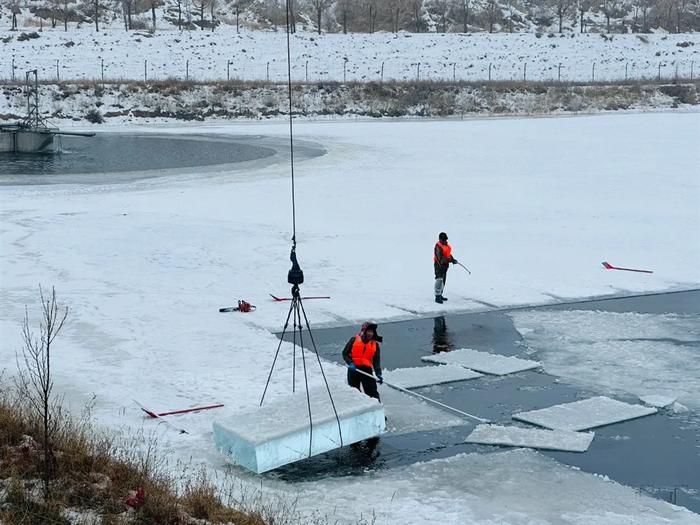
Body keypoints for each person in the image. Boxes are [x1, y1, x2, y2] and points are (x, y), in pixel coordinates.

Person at [342, 321, 383, 401]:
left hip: (366, 371)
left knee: (372, 392)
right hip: (354, 369)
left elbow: (376, 360)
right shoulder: (354, 340)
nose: (370, 334)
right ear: (364, 331)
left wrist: (378, 373)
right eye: (368, 331)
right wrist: (350, 363)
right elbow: (345, 353)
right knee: (354, 393)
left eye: (371, 332)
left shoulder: (375, 344)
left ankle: (376, 410)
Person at [434, 232, 458, 304]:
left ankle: (440, 294)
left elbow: (448, 255)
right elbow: (440, 258)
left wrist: (452, 259)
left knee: (443, 280)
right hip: (439, 265)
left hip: (445, 265)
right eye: (443, 239)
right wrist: (449, 260)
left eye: (445, 239)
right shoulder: (438, 246)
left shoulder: (447, 246)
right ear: (440, 239)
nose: (444, 241)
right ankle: (437, 296)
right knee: (439, 280)